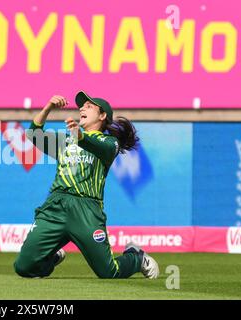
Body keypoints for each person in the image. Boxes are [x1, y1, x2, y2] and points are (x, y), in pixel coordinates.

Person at [13, 91, 159, 279]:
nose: (82, 108)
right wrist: (48, 106)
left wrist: (80, 136)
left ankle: (136, 258)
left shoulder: (109, 143)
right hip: (55, 207)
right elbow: (34, 134)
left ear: (102, 115)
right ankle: (49, 257)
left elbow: (98, 147)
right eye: (81, 106)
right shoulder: (66, 141)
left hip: (86, 211)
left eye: (89, 106)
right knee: (23, 267)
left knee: (109, 272)